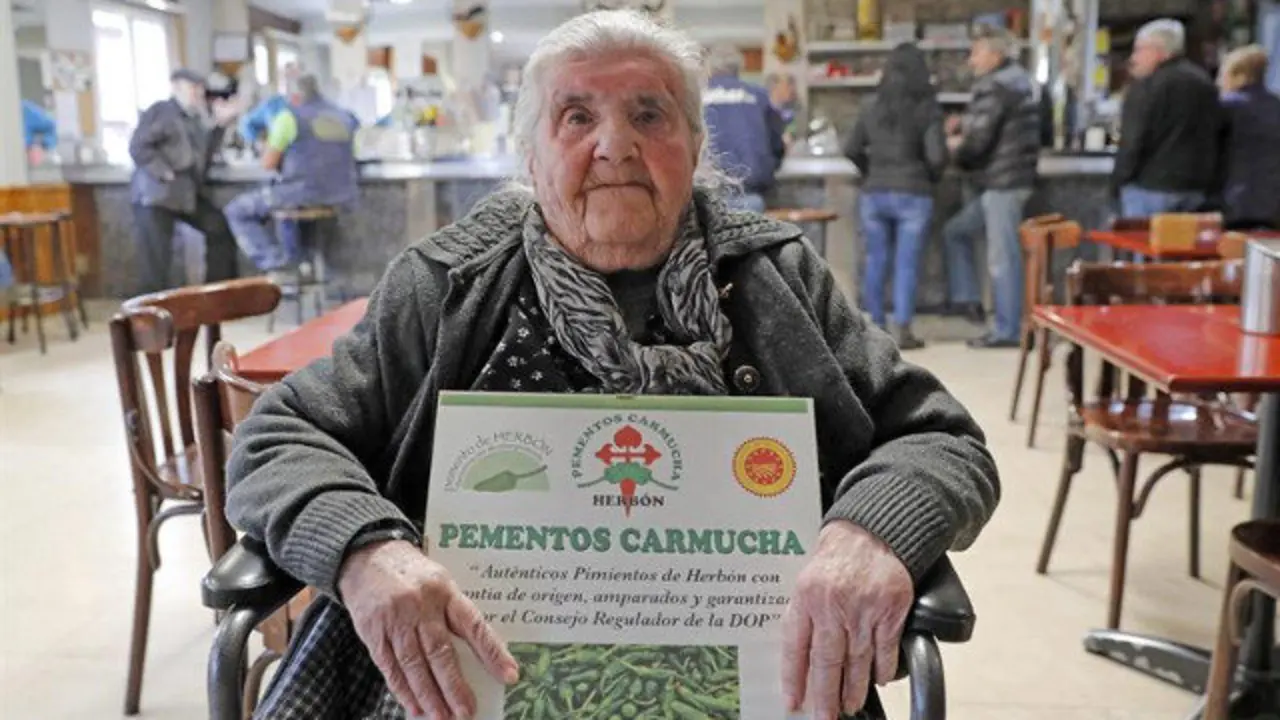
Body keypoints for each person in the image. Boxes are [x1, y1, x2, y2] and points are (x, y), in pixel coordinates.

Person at [225, 10, 999, 720]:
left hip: (752, 675)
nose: (615, 144)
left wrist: (873, 533)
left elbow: (942, 440)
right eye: (577, 116)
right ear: (531, 156)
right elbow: (274, 439)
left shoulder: (775, 277)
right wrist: (366, 552)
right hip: (476, 682)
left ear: (694, 148)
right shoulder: (447, 283)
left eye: (649, 114)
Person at [942, 24, 1040, 349]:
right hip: (1007, 180)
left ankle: (1008, 330)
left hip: (1003, 182)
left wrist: (955, 144)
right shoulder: (1019, 81)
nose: (972, 60)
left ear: (995, 54)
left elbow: (979, 142)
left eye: (977, 52)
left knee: (1004, 258)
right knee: (956, 231)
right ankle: (969, 301)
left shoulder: (997, 86)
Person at [844, 43, 947, 350]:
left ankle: (874, 329)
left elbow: (851, 148)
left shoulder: (870, 104)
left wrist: (869, 173)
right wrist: (930, 177)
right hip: (914, 193)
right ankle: (903, 329)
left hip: (875, 192)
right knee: (906, 264)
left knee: (875, 261)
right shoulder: (927, 106)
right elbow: (937, 156)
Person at [223, 74, 359, 278]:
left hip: (300, 194)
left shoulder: (288, 117)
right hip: (341, 194)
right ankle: (307, 264)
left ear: (294, 97)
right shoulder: (343, 117)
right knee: (288, 212)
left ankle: (278, 265)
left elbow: (268, 163)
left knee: (236, 210)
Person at [129, 69, 241, 295]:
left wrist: (220, 126)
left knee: (219, 228)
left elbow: (203, 158)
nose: (198, 93)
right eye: (193, 87)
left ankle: (216, 295)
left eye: (199, 88)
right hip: (156, 195)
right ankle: (148, 312)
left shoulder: (194, 119)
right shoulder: (161, 111)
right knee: (156, 261)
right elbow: (138, 146)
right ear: (176, 87)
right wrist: (163, 172)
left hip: (184, 195)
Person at [1111, 19, 1221, 218]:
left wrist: (1118, 182)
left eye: (1139, 50)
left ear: (1160, 52)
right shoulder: (1204, 83)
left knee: (1146, 247)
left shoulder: (1146, 86)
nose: (1134, 58)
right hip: (1196, 189)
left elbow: (1133, 140)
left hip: (1150, 187)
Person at [702, 43, 787, 212]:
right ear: (740, 68)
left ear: (709, 68)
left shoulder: (695, 96)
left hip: (702, 194)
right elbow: (777, 142)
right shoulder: (758, 96)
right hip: (750, 191)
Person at [1216, 45, 1280, 229]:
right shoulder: (1276, 105)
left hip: (1235, 201)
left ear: (1236, 74)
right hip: (1273, 203)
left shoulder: (1228, 107)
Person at [239, 62, 301, 147]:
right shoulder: (273, 104)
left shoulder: (314, 107)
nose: (291, 81)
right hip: (279, 155)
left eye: (295, 77)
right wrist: (261, 142)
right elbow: (246, 123)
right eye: (288, 77)